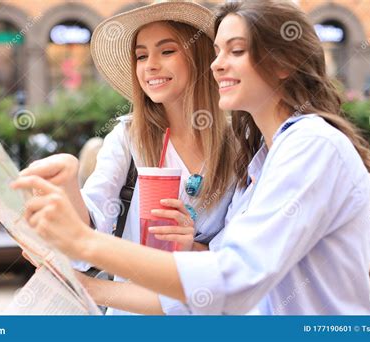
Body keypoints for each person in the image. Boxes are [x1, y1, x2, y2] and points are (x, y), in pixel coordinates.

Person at [12, 0, 370, 315]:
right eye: (219, 51)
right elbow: (212, 282)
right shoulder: (263, 158)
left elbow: (233, 278)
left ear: (283, 63)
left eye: (235, 51)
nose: (218, 64)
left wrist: (84, 249)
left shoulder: (306, 146)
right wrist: (87, 278)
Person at [17, 1, 237, 315]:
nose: (150, 65)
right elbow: (88, 245)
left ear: (199, 56)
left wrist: (193, 246)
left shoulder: (242, 145)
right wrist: (67, 183)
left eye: (167, 51)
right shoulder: (128, 138)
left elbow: (244, 261)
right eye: (142, 55)